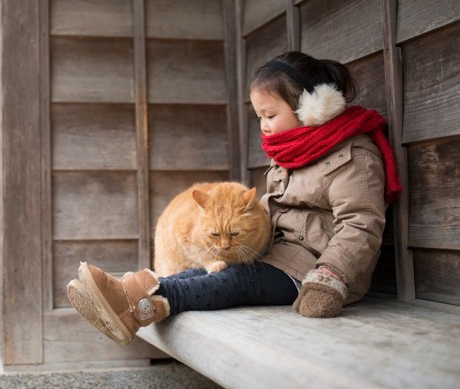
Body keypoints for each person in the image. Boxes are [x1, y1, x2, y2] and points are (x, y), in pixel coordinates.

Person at [66, 51, 403, 345]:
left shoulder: (355, 155)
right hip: (278, 258)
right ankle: (129, 293)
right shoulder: (296, 151)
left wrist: (329, 278)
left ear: (310, 107)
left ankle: (135, 306)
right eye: (260, 117)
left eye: (270, 115)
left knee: (233, 281)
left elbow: (361, 224)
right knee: (209, 274)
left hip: (314, 271)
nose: (265, 126)